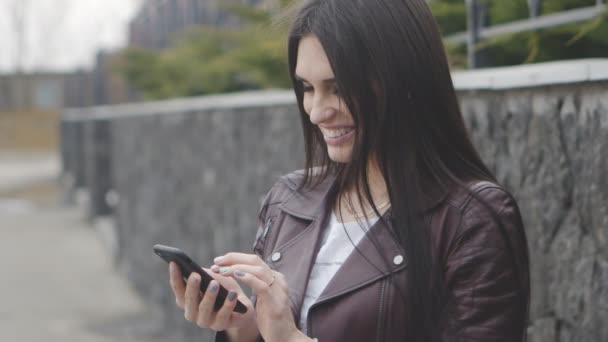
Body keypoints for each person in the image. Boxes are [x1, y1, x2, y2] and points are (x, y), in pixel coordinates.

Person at [167, 0, 531, 341]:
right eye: (307, 88)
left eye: (338, 87)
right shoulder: (289, 201)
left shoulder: (471, 221)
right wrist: (244, 326)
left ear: (403, 78)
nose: (317, 111)